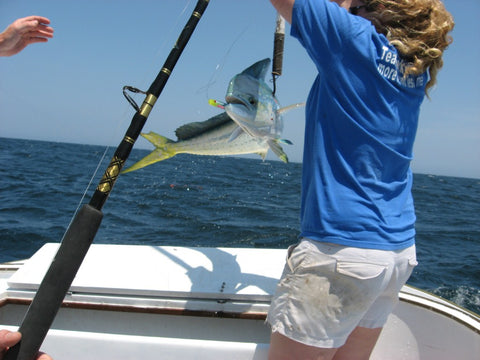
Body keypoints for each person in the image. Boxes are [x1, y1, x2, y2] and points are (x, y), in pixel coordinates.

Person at [266, 0, 454, 359]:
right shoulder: (412, 67)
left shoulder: (354, 40)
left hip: (342, 252)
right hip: (395, 253)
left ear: (379, 11)